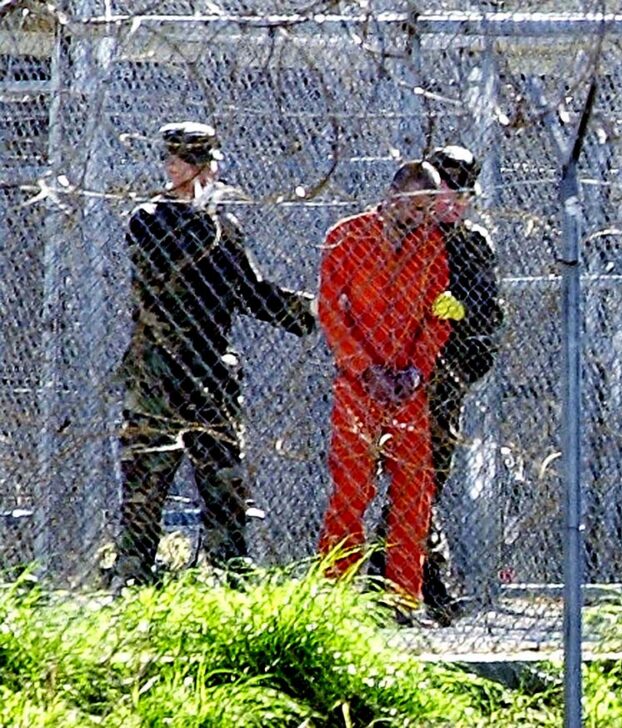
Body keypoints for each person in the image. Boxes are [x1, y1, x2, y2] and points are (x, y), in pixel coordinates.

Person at [114, 121, 315, 588]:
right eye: (183, 163)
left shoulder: (223, 224)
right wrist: (202, 220)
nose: (190, 172)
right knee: (146, 484)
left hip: (209, 371)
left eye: (200, 164)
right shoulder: (149, 219)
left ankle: (232, 577)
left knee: (223, 484)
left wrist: (310, 313)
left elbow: (248, 290)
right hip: (158, 371)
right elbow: (164, 273)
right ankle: (133, 578)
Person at [370, 146, 503, 624]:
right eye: (448, 187)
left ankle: (407, 581)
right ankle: (411, 583)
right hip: (392, 376)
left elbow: (487, 311)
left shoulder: (470, 243)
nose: (457, 199)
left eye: (462, 190)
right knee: (409, 481)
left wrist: (457, 313)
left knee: (424, 483)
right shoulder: (401, 236)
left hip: (443, 377)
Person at [317, 160, 457, 614]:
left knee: (414, 493)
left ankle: (404, 599)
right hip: (361, 387)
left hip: (406, 388)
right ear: (394, 194)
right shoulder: (348, 236)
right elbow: (330, 311)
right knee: (351, 492)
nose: (422, 217)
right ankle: (333, 600)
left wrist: (417, 368)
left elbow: (439, 314)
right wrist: (363, 368)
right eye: (416, 206)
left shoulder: (431, 246)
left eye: (429, 208)